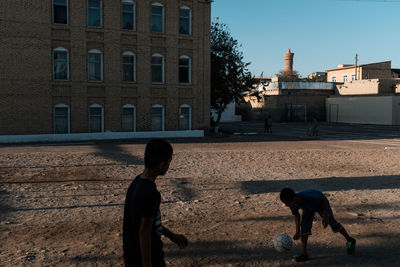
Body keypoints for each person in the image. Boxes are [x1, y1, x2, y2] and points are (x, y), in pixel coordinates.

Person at [123, 139, 188, 267]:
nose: (169, 166)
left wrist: (172, 236)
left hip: (131, 255)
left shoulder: (136, 182)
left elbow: (149, 223)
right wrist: (147, 264)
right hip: (148, 256)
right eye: (169, 162)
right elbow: (144, 231)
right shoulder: (151, 193)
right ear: (162, 165)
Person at [279, 188, 356, 262]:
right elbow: (297, 216)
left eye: (287, 203)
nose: (286, 205)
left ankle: (350, 240)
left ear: (294, 198)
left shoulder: (307, 197)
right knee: (304, 230)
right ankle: (304, 254)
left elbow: (322, 199)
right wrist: (297, 232)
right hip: (308, 208)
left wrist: (325, 214)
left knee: (332, 222)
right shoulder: (292, 205)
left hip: (321, 204)